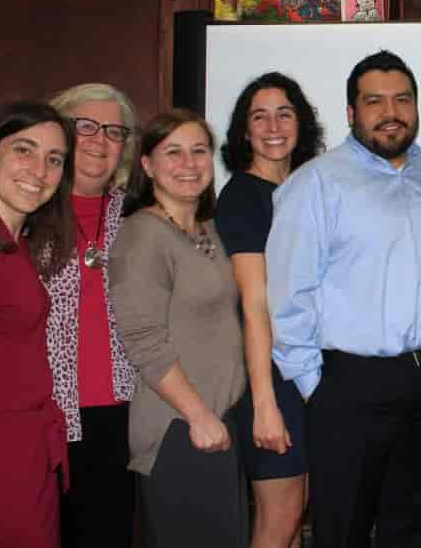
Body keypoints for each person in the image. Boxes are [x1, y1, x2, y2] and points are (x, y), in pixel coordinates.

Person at [266, 50, 421, 548]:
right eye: (374, 100)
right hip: (350, 386)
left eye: (402, 99)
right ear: (351, 112)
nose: (389, 110)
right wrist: (317, 389)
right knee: (343, 529)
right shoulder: (315, 183)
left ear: (416, 107)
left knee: (414, 528)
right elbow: (289, 294)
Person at [110, 109, 248, 547]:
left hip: (220, 424)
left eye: (198, 151)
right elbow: (142, 340)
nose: (189, 164)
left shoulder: (209, 230)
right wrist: (198, 416)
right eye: (173, 152)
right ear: (147, 165)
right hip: (180, 430)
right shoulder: (141, 234)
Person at [216, 72, 324, 548]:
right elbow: (255, 305)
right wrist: (265, 405)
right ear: (244, 131)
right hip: (272, 378)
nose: (273, 125)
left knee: (295, 513)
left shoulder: (306, 190)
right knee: (278, 520)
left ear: (302, 124)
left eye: (285, 113)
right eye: (259, 116)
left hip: (309, 373)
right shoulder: (242, 197)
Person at [46, 83, 139, 547]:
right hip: (45, 414)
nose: (99, 139)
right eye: (85, 126)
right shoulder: (28, 209)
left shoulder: (140, 214)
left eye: (114, 130)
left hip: (124, 412)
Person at [0, 101, 74, 547]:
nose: (39, 170)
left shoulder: (12, 242)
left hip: (24, 454)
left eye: (54, 159)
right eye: (24, 149)